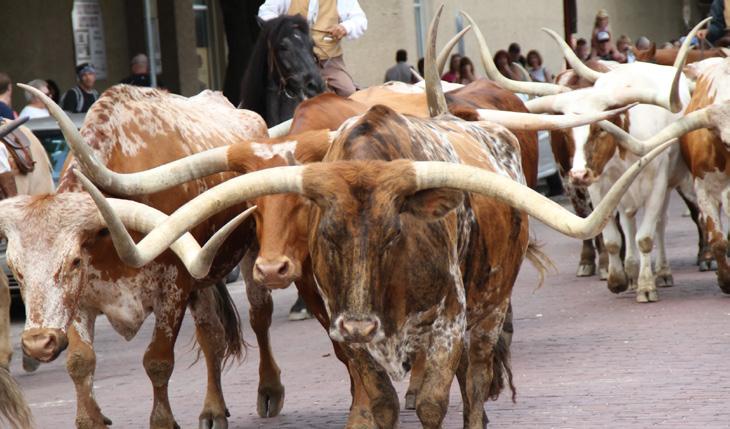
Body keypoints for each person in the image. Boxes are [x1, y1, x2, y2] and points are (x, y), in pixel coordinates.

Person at [259, 0, 367, 97]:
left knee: (348, 91)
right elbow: (265, 12)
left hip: (328, 61)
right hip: (294, 61)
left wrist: (345, 27)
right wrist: (284, 26)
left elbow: (359, 19)